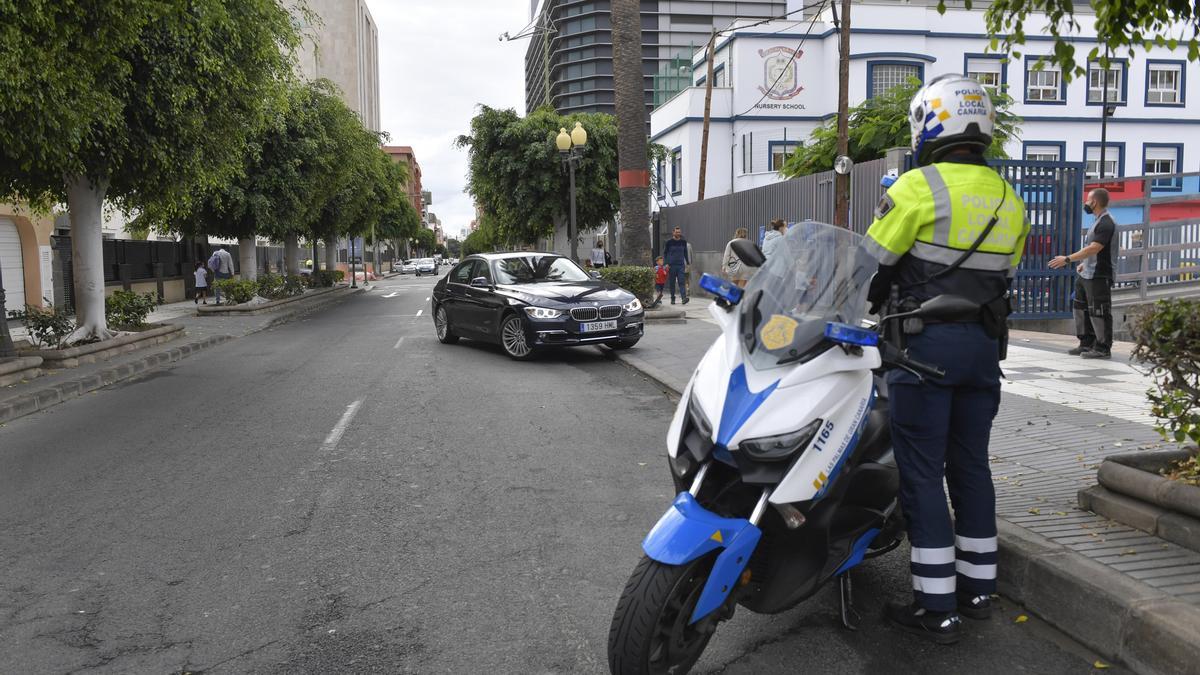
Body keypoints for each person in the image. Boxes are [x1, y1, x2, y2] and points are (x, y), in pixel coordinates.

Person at [862, 74, 1030, 644]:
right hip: (984, 352)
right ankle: (978, 591)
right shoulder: (1010, 198)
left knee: (922, 475)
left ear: (930, 123)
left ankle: (937, 608)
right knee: (972, 468)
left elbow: (872, 266)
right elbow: (1002, 278)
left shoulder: (916, 187)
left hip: (922, 353)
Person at [1049, 188, 1117, 359]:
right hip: (1087, 273)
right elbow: (1092, 252)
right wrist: (1083, 264)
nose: (1085, 203)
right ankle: (1086, 342)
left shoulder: (1107, 223)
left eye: (1088, 200)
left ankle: (1102, 347)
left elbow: (1095, 248)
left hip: (1099, 275)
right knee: (1080, 307)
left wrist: (1068, 259)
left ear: (1094, 202)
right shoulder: (1097, 221)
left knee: (1099, 310)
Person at [662, 226, 690, 304]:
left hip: (681, 265)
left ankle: (684, 298)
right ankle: (672, 298)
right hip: (671, 265)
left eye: (679, 232)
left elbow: (685, 253)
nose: (678, 233)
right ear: (673, 232)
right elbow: (665, 253)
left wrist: (687, 263)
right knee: (672, 282)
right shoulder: (669, 242)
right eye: (677, 232)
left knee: (682, 281)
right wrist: (666, 263)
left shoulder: (683, 242)